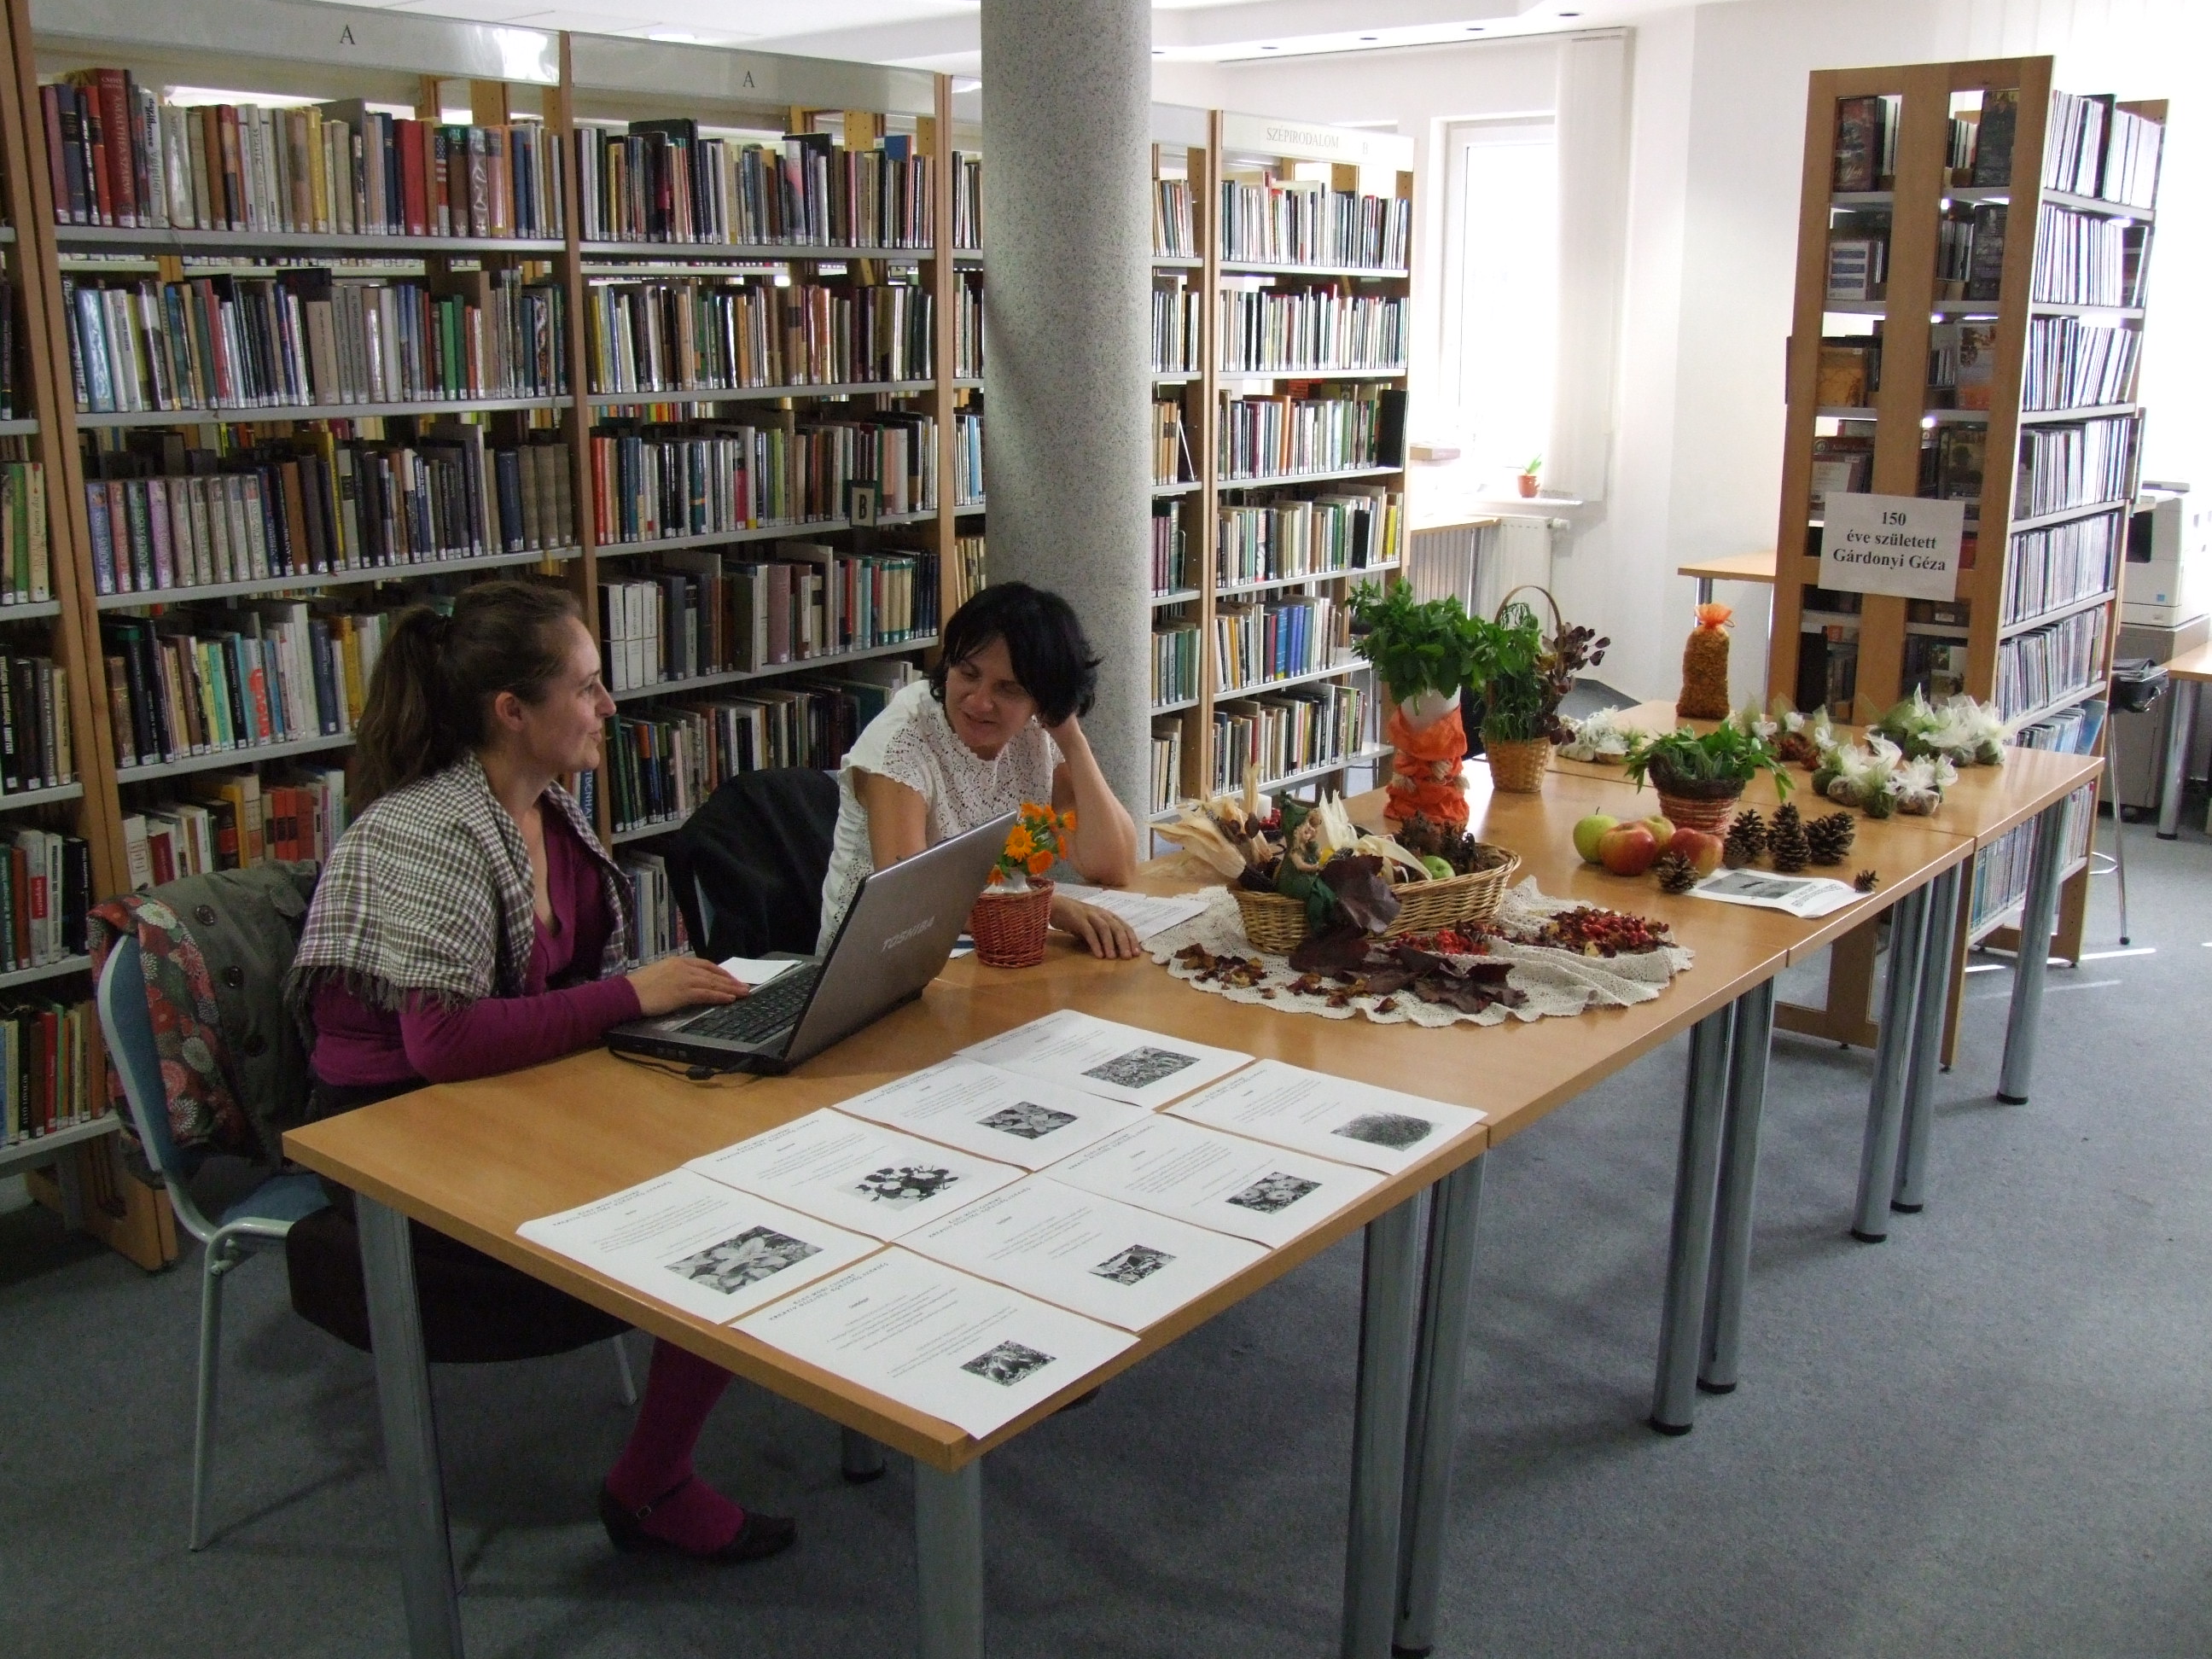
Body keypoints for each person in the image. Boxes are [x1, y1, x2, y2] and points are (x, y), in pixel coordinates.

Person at [286, 580, 793, 1565]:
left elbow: (565, 989)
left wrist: (657, 1013)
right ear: (512, 711)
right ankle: (652, 1487)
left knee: (746, 1147)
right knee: (711, 1219)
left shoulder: (547, 809)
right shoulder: (431, 829)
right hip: (391, 1125)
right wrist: (633, 997)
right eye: (587, 686)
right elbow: (442, 1045)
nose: (609, 705)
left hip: (508, 1089)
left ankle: (657, 1470)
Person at [817, 582, 1143, 958]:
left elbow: (1112, 866)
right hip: (879, 960)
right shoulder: (901, 741)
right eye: (968, 674)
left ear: (1042, 700)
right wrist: (1051, 908)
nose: (979, 702)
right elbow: (910, 901)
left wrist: (1071, 738)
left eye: (1008, 689)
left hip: (992, 944)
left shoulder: (1036, 732)